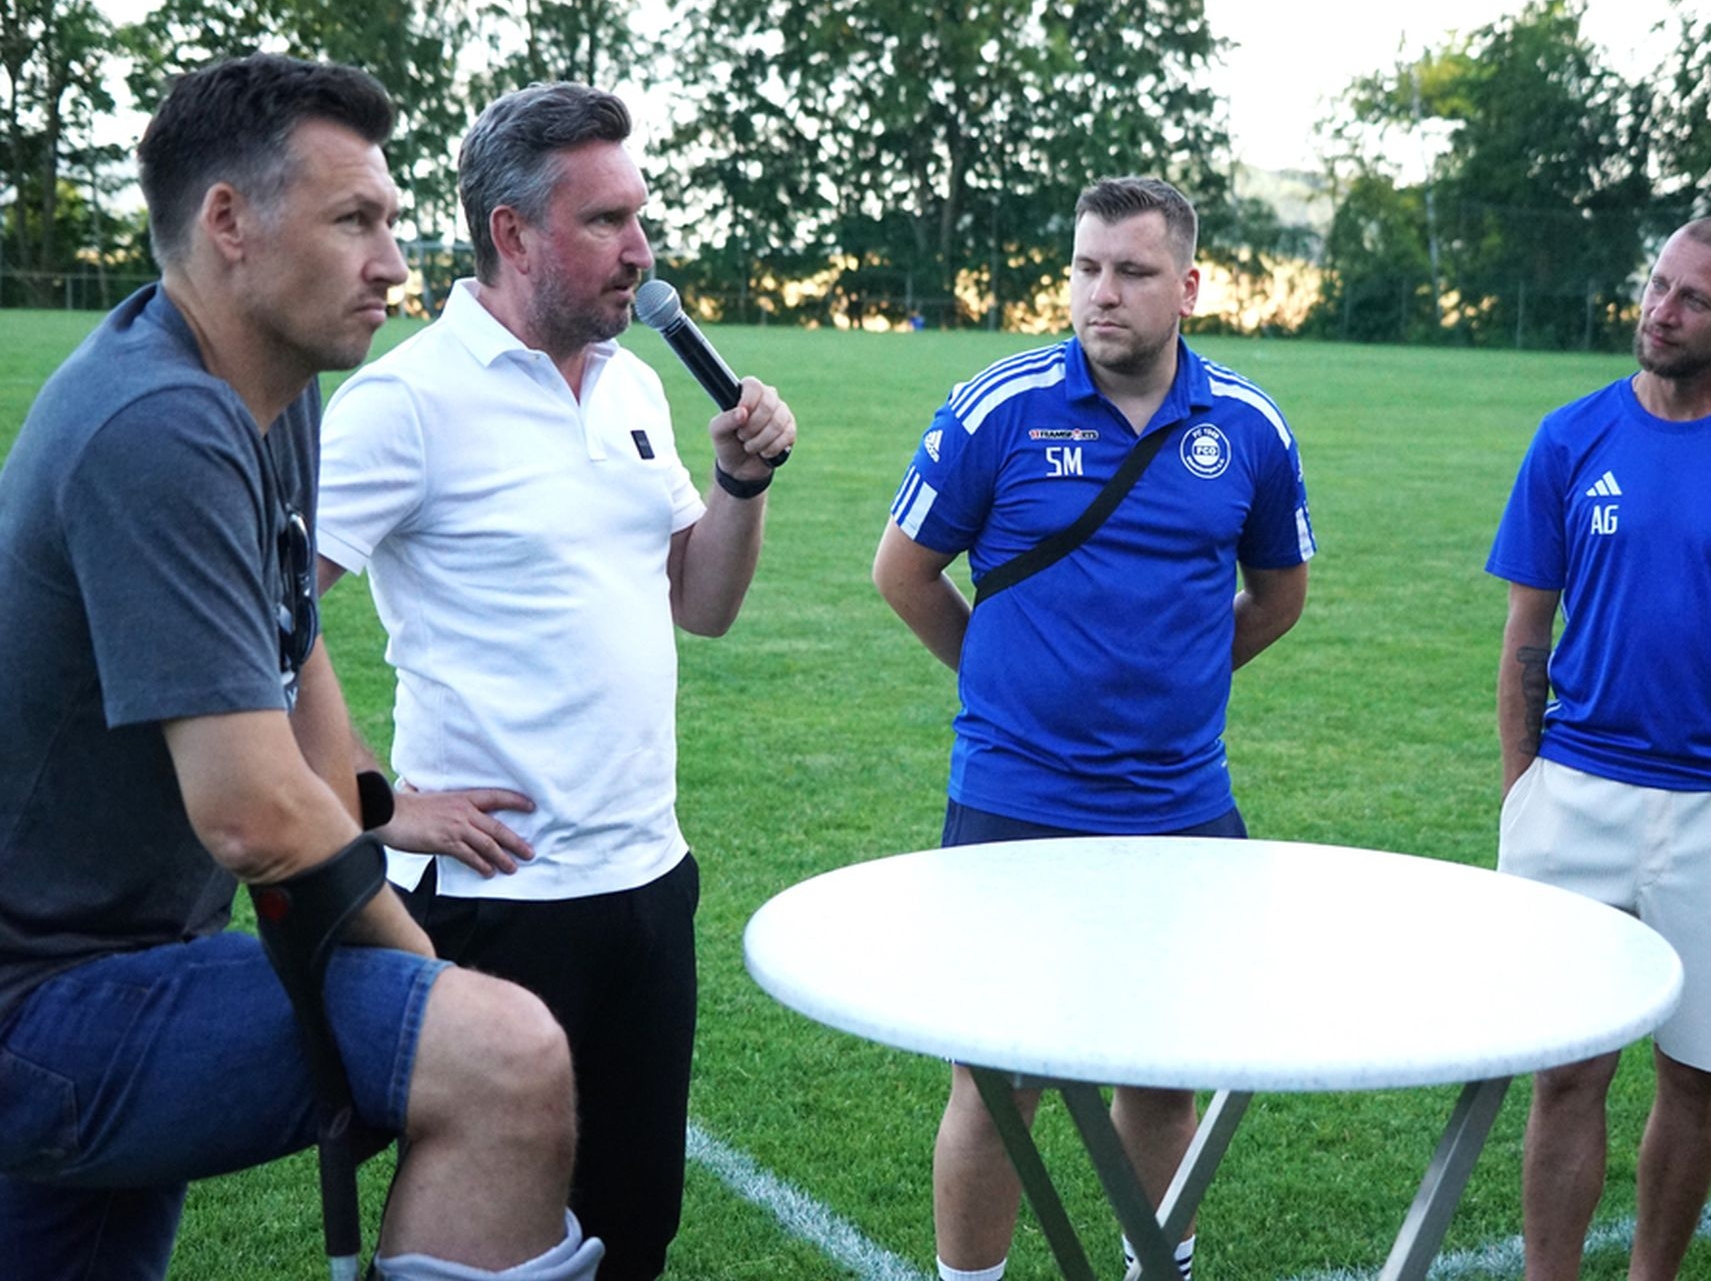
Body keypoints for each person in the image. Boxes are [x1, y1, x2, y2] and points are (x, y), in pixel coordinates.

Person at [0, 54, 602, 1281]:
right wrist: (424, 974)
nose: (395, 263)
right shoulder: (160, 423)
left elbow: (295, 637)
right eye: (354, 222)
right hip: (46, 1006)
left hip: (122, 962)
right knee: (507, 1057)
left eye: (391, 221)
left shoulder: (271, 390)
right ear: (229, 222)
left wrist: (374, 805)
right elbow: (254, 817)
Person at [315, 81, 795, 1281]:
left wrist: (740, 485)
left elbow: (702, 602)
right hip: (500, 902)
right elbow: (258, 616)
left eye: (640, 216)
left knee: (635, 1226)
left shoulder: (631, 383)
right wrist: (379, 805)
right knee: (492, 1240)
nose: (642, 250)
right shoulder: (406, 401)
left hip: (648, 880)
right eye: (606, 221)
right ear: (513, 233)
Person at [872, 176, 1314, 1281]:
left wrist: (1178, 681)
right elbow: (904, 573)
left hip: (1181, 808)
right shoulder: (999, 409)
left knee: (1161, 1075)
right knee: (998, 1082)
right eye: (1085, 269)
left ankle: (1155, 1268)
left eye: (1131, 271)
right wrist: (1008, 686)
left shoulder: (1249, 428)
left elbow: (1278, 597)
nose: (1101, 293)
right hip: (1013, 801)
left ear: (1190, 287)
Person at [1488, 217, 1711, 1281]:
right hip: (1576, 797)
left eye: (1695, 298)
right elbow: (1525, 638)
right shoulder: (1570, 437)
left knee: (1695, 1075)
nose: (1662, 310)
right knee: (1567, 1072)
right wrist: (1526, 796)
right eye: (1657, 285)